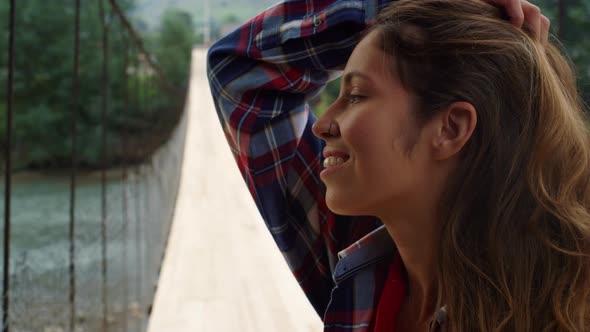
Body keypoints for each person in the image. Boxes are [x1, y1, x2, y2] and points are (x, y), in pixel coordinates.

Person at [207, 0, 590, 330]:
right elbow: (242, 74)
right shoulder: (357, 263)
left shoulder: (572, 302)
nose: (322, 125)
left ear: (449, 128)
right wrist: (393, 7)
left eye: (355, 96)